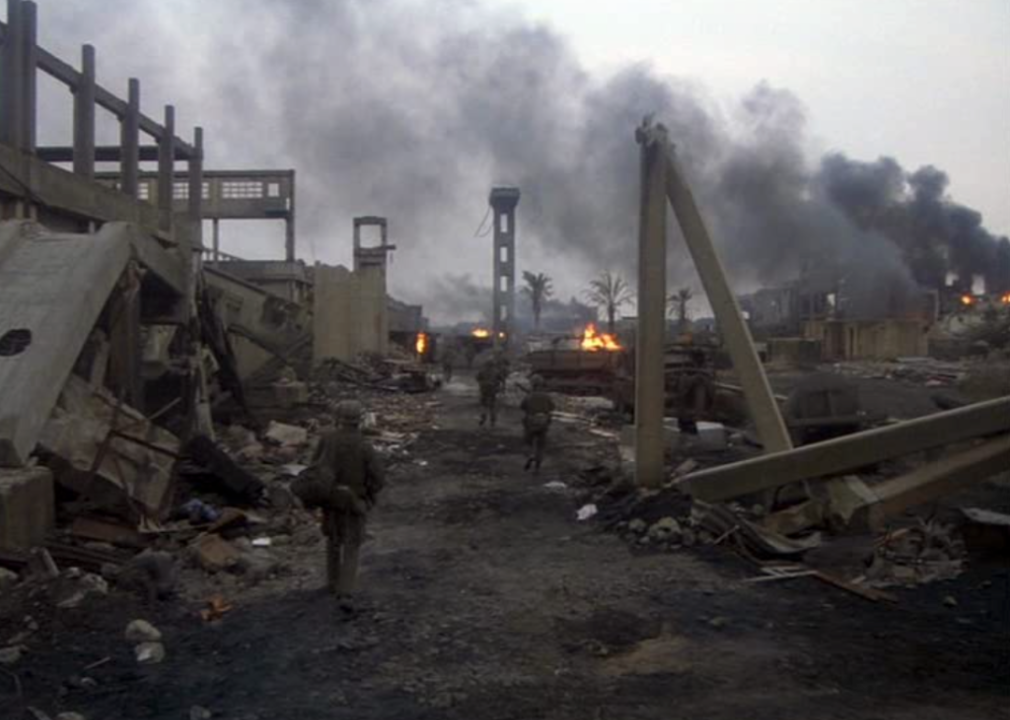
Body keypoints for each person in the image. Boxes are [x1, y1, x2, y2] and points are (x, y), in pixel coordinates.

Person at [308, 400, 385, 608]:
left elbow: (313, 467)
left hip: (330, 500)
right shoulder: (364, 445)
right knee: (351, 545)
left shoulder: (326, 439)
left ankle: (331, 583)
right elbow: (378, 478)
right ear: (359, 420)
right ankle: (345, 592)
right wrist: (369, 495)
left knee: (333, 540)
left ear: (338, 418)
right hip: (353, 501)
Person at [521, 375, 555, 474]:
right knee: (541, 446)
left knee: (527, 442)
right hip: (543, 422)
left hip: (531, 422)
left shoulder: (529, 396)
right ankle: (537, 468)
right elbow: (552, 407)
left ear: (532, 385)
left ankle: (530, 455)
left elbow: (522, 407)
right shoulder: (547, 396)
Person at [476, 360, 501, 427]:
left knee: (483, 405)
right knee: (492, 406)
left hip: (484, 390)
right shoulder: (496, 371)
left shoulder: (482, 371)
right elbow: (501, 379)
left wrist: (483, 383)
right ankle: (492, 420)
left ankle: (483, 417)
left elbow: (477, 378)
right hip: (492, 390)